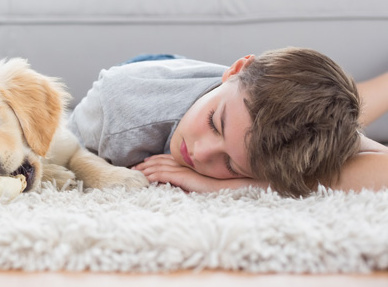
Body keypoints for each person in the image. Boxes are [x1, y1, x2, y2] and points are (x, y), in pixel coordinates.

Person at [68, 47, 388, 197]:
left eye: (231, 165)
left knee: (349, 115)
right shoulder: (118, 114)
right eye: (214, 124)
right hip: (150, 72)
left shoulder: (282, 134)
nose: (200, 152)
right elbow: (55, 149)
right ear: (235, 69)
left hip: (224, 95)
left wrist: (224, 185)